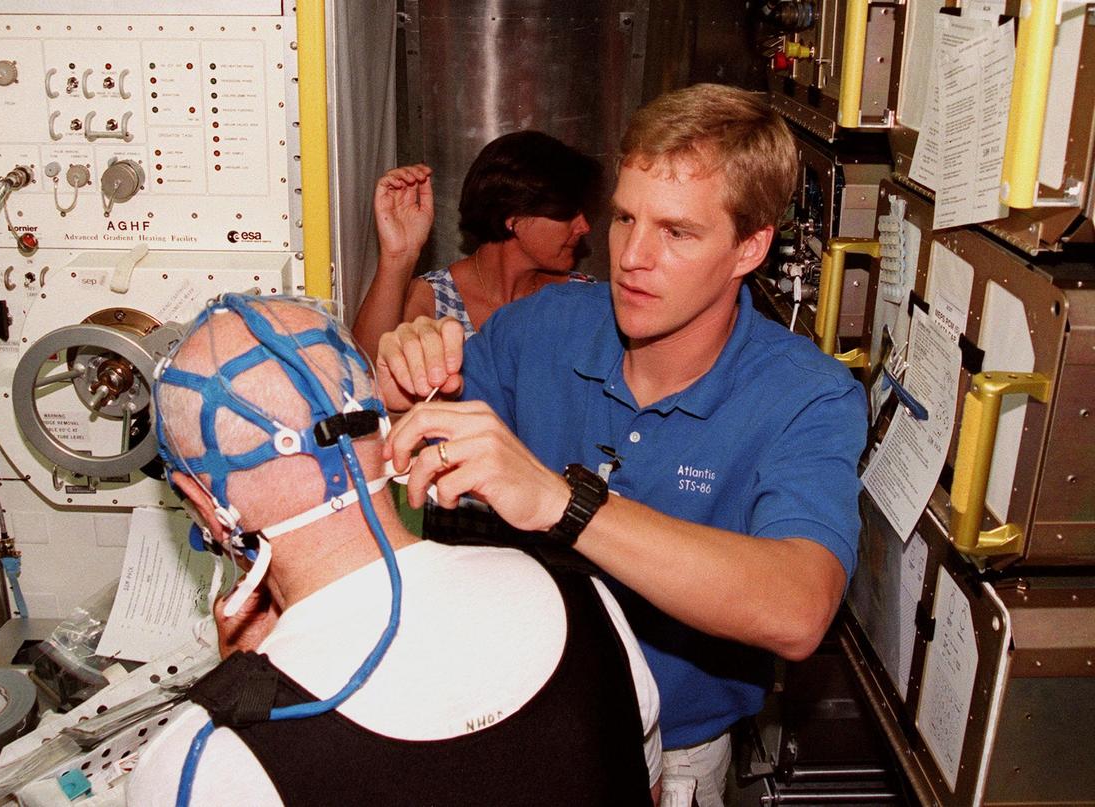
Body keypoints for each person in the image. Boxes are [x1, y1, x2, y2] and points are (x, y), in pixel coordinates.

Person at [374, 84, 868, 807]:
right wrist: (409, 361)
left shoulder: (807, 396)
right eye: (626, 218)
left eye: (677, 232)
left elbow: (799, 608)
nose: (632, 257)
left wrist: (565, 503)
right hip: (504, 715)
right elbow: (406, 409)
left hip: (674, 754)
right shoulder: (545, 327)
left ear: (751, 247)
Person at [126, 294, 664, 806]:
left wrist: (243, 692)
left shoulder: (200, 758)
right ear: (385, 422)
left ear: (205, 503)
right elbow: (646, 790)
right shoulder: (585, 597)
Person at [351, 131, 601, 360]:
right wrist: (399, 256)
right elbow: (362, 378)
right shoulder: (434, 300)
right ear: (513, 216)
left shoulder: (583, 299)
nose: (584, 227)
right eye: (568, 213)